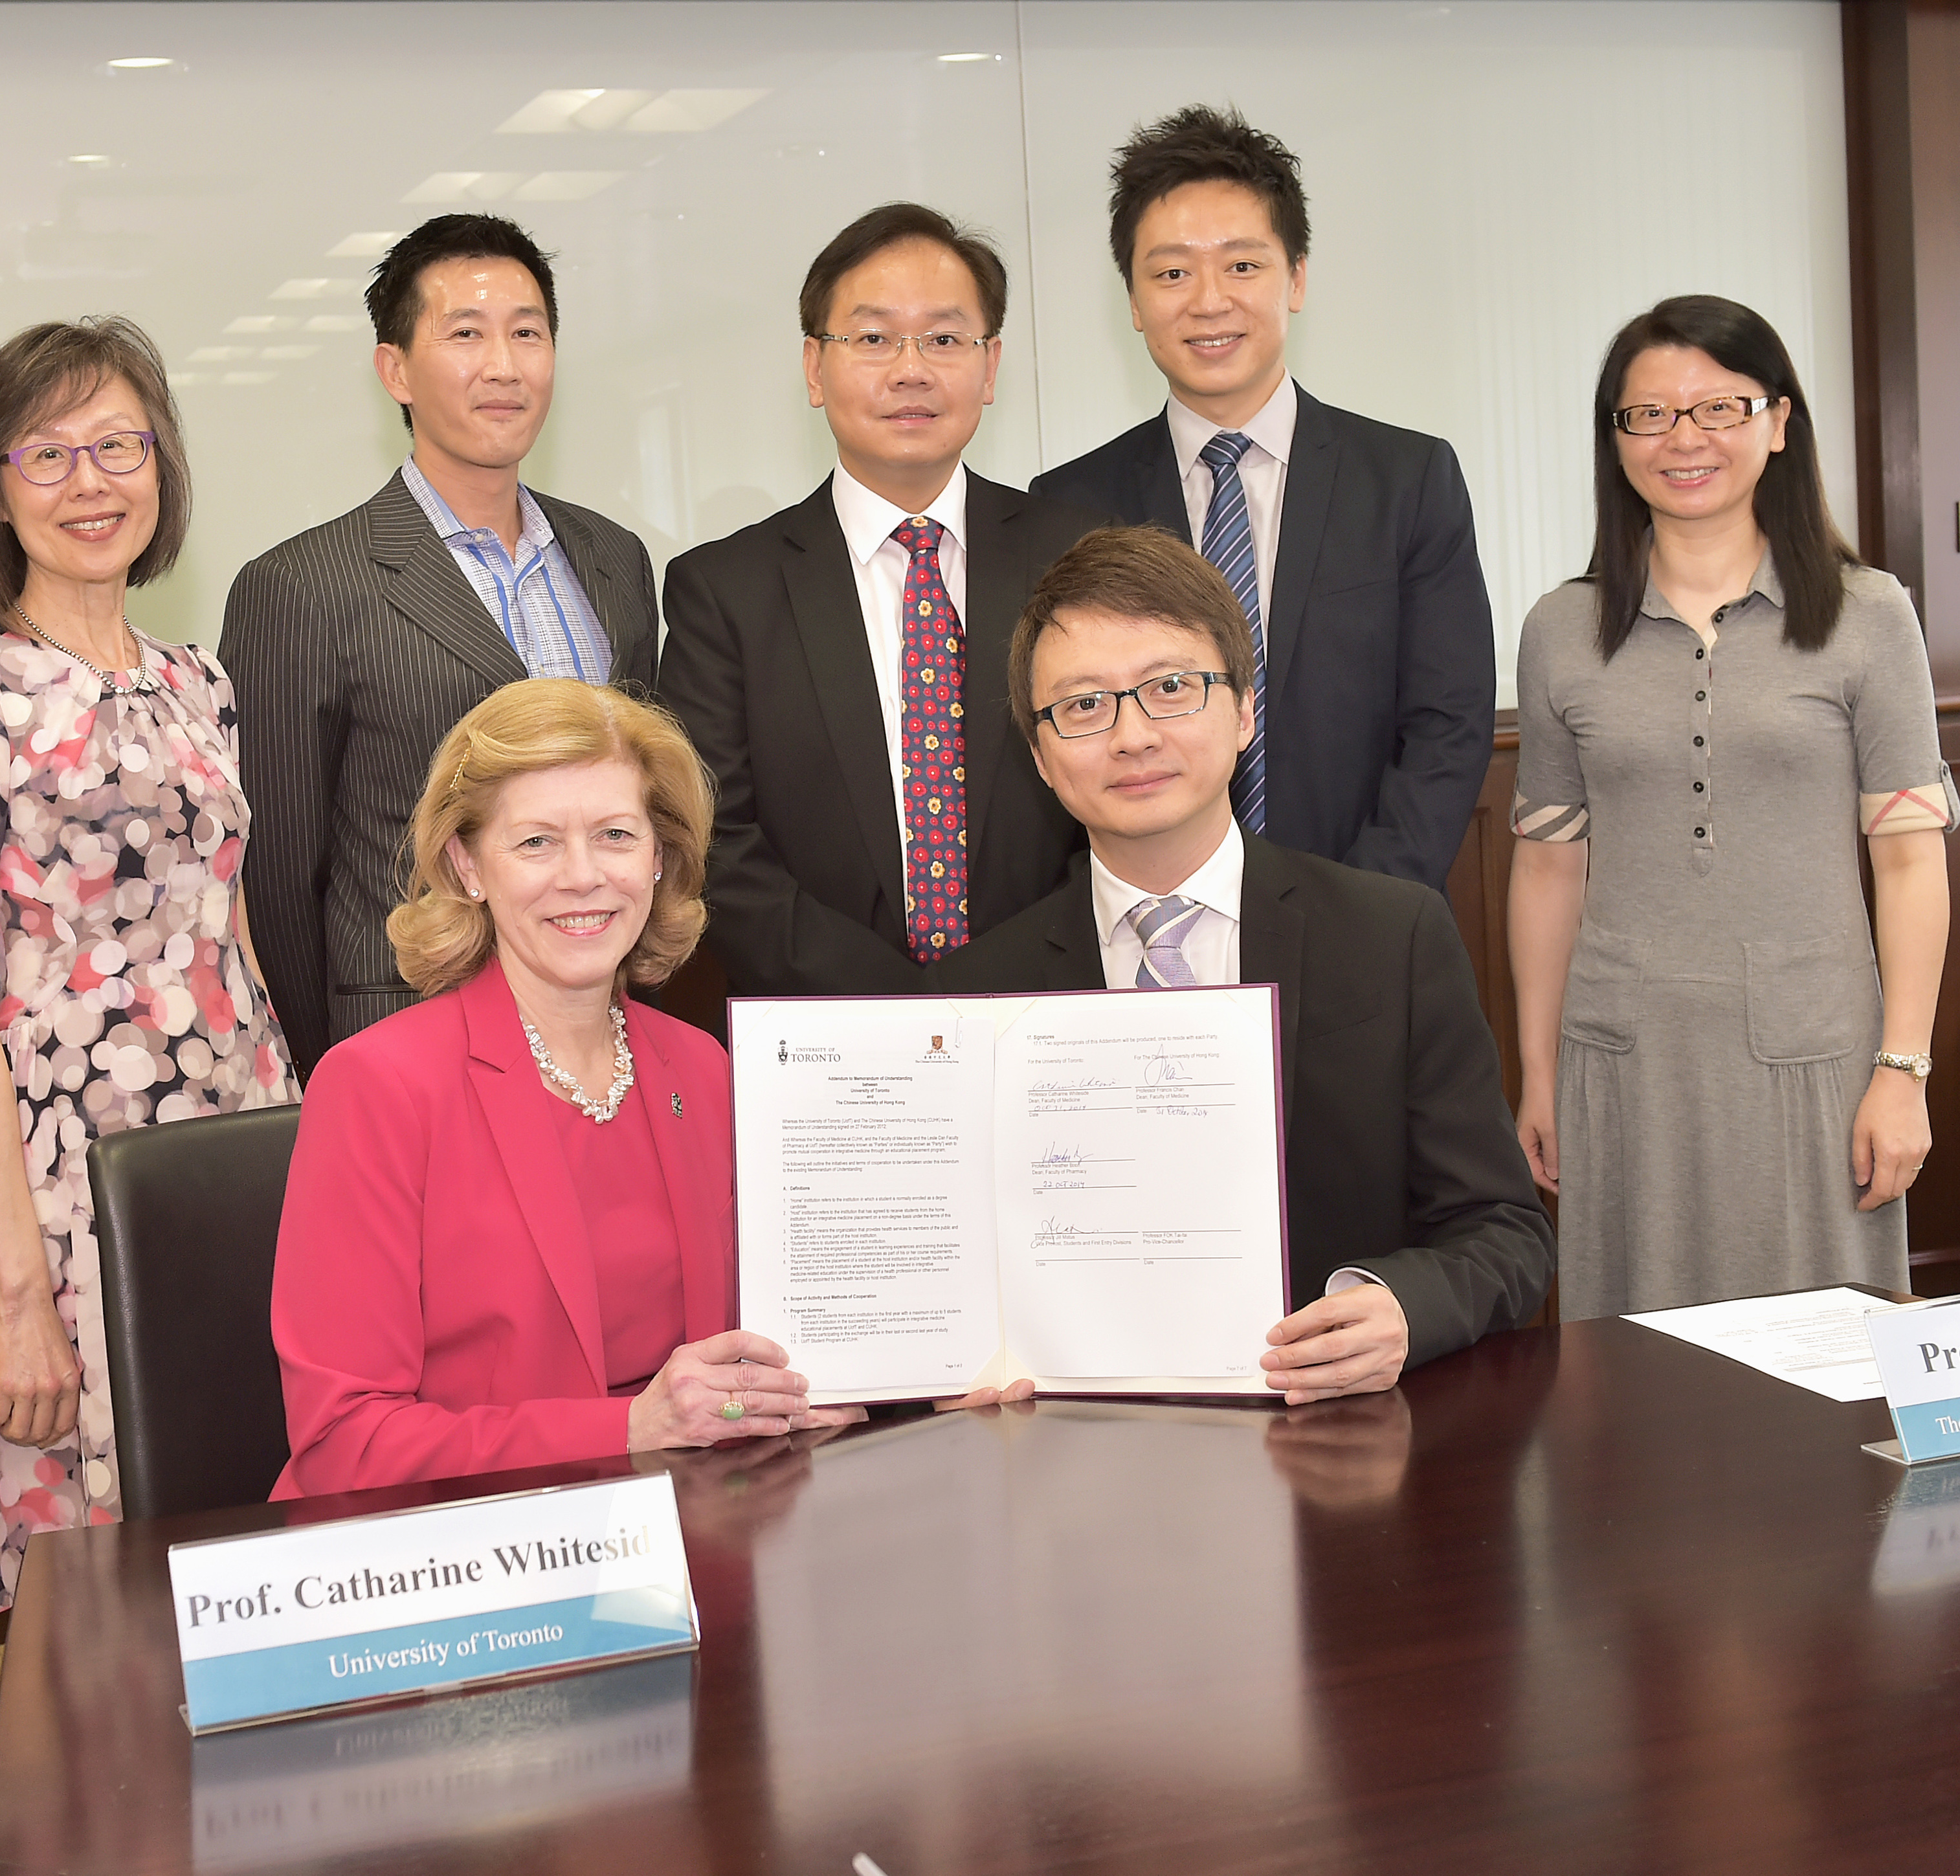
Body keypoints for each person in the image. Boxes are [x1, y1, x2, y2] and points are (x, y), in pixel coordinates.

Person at [933, 524, 1552, 1399]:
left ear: (1245, 710)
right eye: (1082, 706)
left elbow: (1506, 1234)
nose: (1133, 735)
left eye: (1173, 688)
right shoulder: (974, 998)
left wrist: (1400, 1308)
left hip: (1340, 1449)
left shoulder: (1390, 938)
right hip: (1072, 1460)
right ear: (1037, 754)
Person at [0, 317, 294, 1613]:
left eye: (118, 444)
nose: (89, 482)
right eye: (47, 452)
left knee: (247, 1540)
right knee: (102, 1594)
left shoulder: (203, 683)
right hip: (64, 1186)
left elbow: (229, 940)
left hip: (234, 1145)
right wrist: (18, 1288)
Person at [271, 680, 862, 1497]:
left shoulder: (705, 1070)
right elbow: (345, 1444)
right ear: (466, 864)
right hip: (463, 1563)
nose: (583, 877)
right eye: (537, 843)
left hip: (687, 1536)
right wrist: (631, 1431)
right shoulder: (377, 1086)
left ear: (659, 858)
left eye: (617, 835)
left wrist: (829, 1385)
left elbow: (758, 1350)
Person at [1508, 295, 1954, 1319]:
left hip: (1817, 1060)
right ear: (1614, 441)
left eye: (1720, 407)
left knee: (1827, 1373)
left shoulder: (1868, 614)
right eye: (1650, 415)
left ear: (1779, 423)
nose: (1685, 439)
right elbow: (1546, 866)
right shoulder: (1562, 630)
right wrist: (1538, 1075)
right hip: (1624, 1064)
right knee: (1631, 1378)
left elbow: (1911, 861)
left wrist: (1904, 1070)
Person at [221, 214, 660, 1080]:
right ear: (396, 369)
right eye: (466, 333)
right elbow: (275, 880)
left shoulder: (615, 561)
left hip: (596, 1031)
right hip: (406, 1044)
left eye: (527, 333)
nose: (503, 365)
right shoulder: (302, 586)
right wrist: (329, 1075)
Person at [1031, 104, 1494, 891]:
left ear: (1297, 277)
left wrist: (1362, 913)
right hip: (1149, 936)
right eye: (1172, 272)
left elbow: (1447, 729)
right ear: (1135, 303)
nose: (1209, 300)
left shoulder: (1408, 478)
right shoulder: (1070, 504)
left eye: (1242, 265)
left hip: (1370, 921)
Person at [659, 203, 1104, 1001]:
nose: (911, 369)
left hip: (1049, 1010)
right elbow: (710, 837)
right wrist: (894, 1003)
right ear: (813, 367)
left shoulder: (1079, 557)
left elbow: (1122, 785)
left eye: (944, 338)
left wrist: (1000, 980)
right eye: (871, 339)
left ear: (991, 365)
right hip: (820, 1032)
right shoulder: (725, 590)